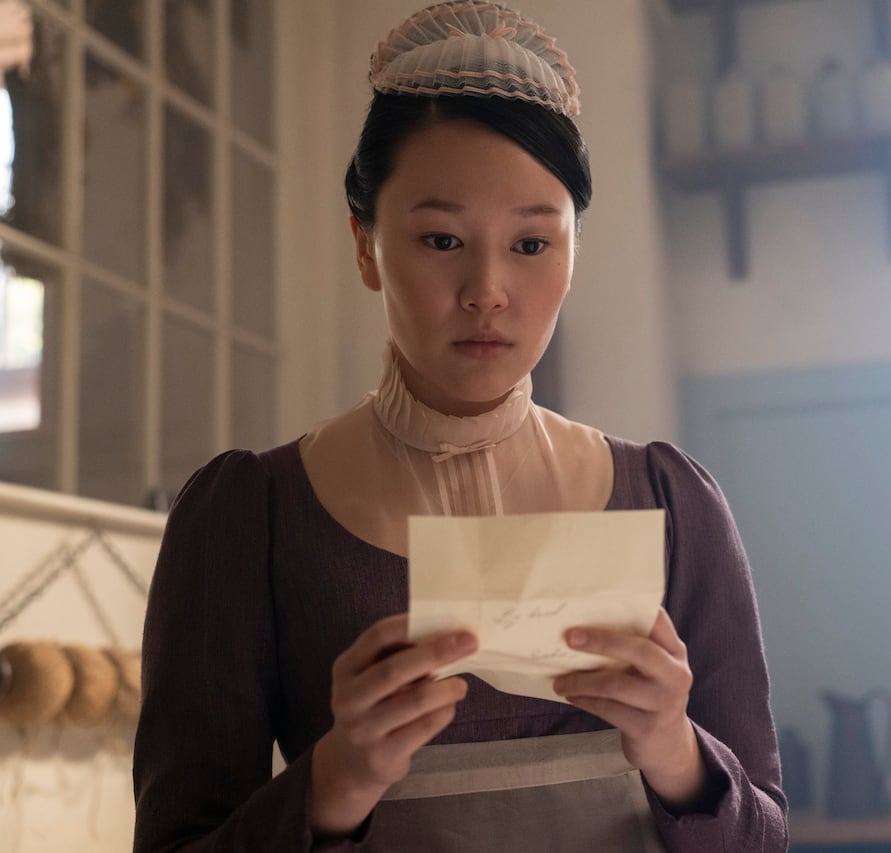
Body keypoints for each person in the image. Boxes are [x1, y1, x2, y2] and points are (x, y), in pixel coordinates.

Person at [132, 2, 787, 850]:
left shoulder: (672, 501)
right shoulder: (245, 516)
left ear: (574, 252)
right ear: (366, 245)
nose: (487, 290)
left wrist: (673, 750)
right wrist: (338, 779)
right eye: (442, 239)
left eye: (531, 244)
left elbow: (766, 837)